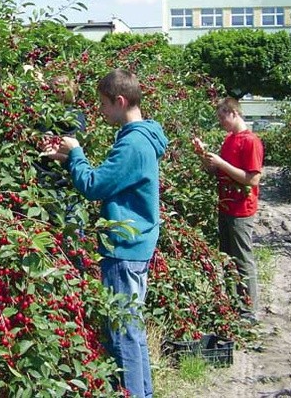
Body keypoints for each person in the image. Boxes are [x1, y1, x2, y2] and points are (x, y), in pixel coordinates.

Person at [42, 68, 168, 398]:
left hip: (124, 250)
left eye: (103, 104)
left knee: (123, 332)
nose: (99, 110)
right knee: (132, 330)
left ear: (120, 101)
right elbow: (112, 179)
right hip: (136, 244)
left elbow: (94, 186)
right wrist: (70, 159)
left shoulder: (133, 144)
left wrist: (78, 151)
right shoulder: (142, 137)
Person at [196, 97, 263, 320]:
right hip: (225, 206)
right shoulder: (230, 140)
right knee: (227, 259)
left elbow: (252, 179)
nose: (220, 122)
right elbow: (218, 173)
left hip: (241, 211)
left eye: (222, 117)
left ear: (233, 113)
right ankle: (234, 305)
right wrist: (203, 156)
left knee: (242, 260)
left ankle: (249, 311)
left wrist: (222, 163)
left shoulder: (251, 141)